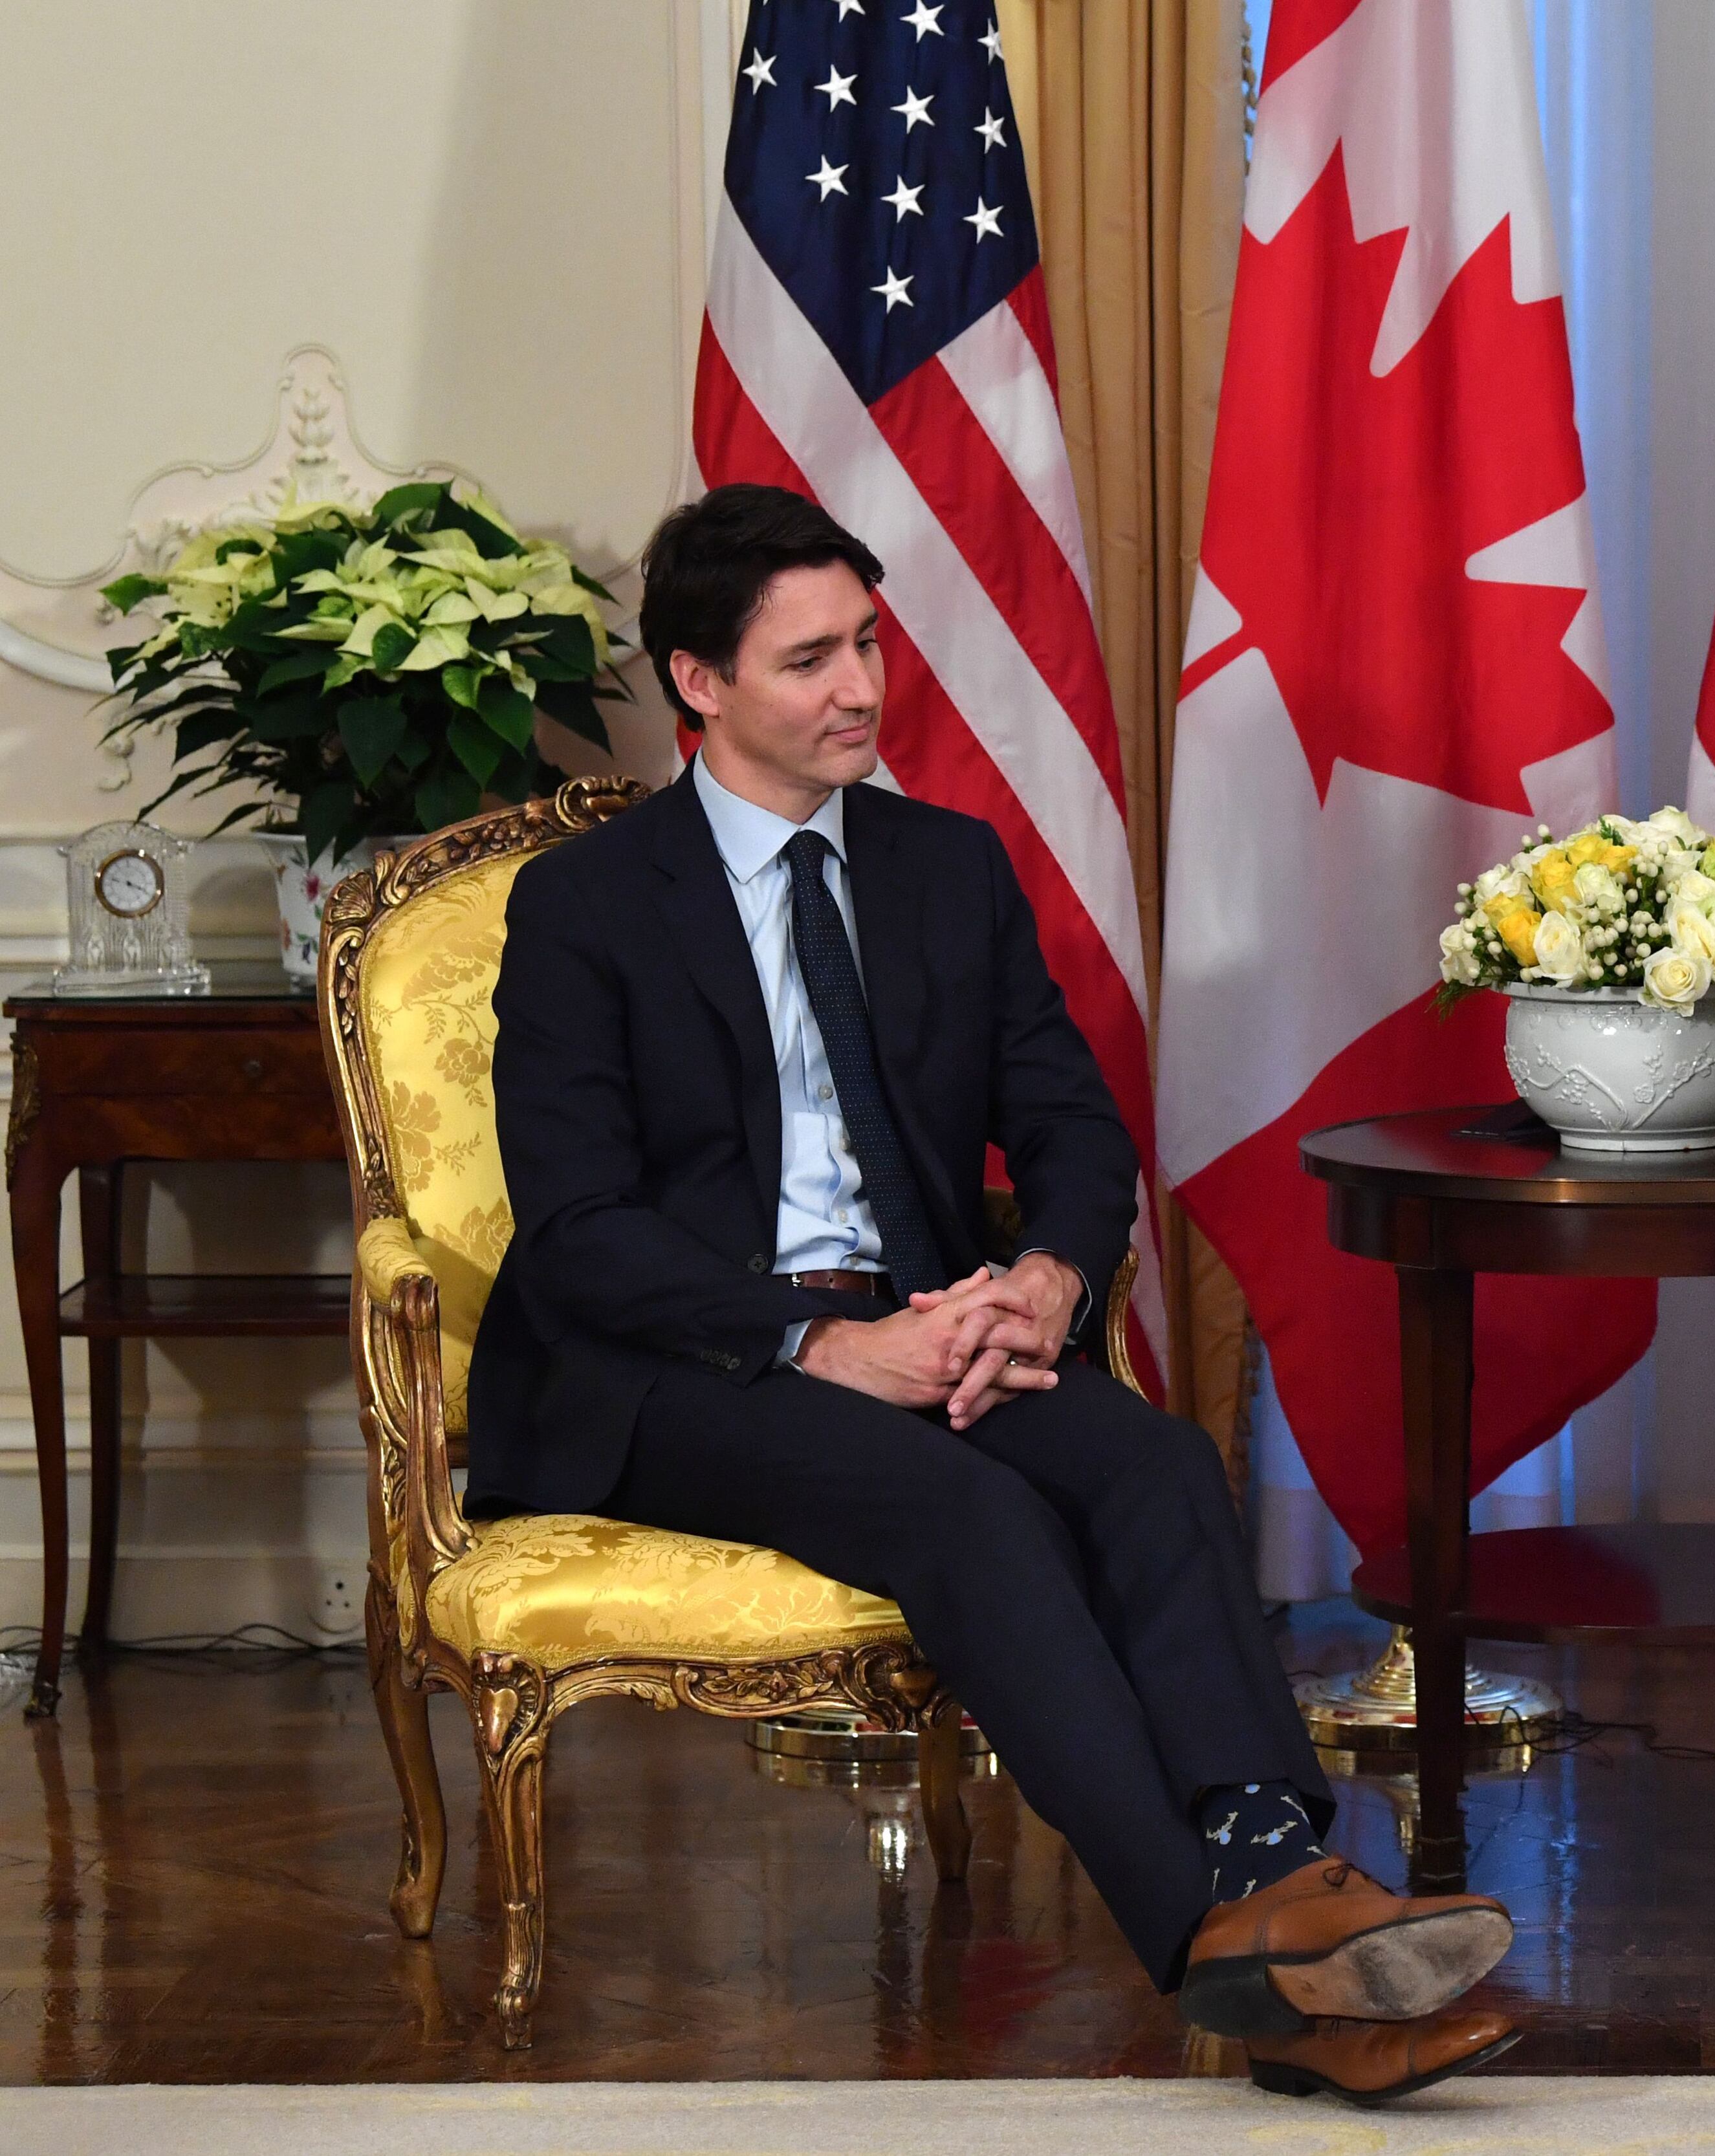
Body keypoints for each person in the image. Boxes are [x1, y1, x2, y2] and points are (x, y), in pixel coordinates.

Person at [468, 483, 1517, 2106]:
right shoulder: (590, 905)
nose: (862, 687)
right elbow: (580, 1229)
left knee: (1157, 1462)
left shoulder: (944, 867)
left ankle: (1271, 1863)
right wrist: (825, 1341)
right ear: (698, 683)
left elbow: (1075, 1129)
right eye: (810, 657)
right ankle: (1239, 1953)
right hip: (685, 1363)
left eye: (869, 642)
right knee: (971, 1513)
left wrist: (1041, 1276)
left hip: (942, 1315)